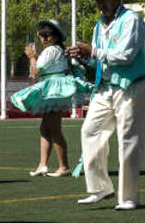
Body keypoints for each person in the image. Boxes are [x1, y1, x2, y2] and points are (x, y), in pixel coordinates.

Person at [66, 0, 145, 211]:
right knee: (90, 131)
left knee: (129, 141)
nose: (100, 4)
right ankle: (100, 188)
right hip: (106, 88)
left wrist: (92, 51)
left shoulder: (132, 20)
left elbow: (126, 56)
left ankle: (129, 197)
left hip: (131, 86)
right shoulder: (99, 25)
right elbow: (101, 62)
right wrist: (84, 58)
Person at [12, 19, 88, 177]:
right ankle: (43, 165)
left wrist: (32, 56)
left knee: (54, 129)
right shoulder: (57, 50)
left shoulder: (50, 51)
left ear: (55, 36)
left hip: (53, 91)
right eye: (42, 34)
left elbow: (36, 71)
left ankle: (64, 166)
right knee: (45, 128)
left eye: (48, 34)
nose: (44, 37)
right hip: (54, 89)